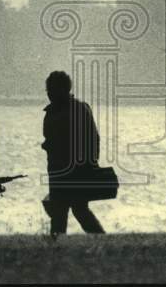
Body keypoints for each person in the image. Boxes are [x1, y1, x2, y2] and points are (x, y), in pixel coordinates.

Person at [41, 70, 105, 235]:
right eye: (48, 90)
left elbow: (91, 140)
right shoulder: (68, 110)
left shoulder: (75, 110)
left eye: (51, 89)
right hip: (60, 169)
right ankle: (99, 238)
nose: (49, 93)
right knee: (73, 210)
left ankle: (57, 244)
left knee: (69, 210)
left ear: (63, 89)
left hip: (73, 169)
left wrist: (89, 166)